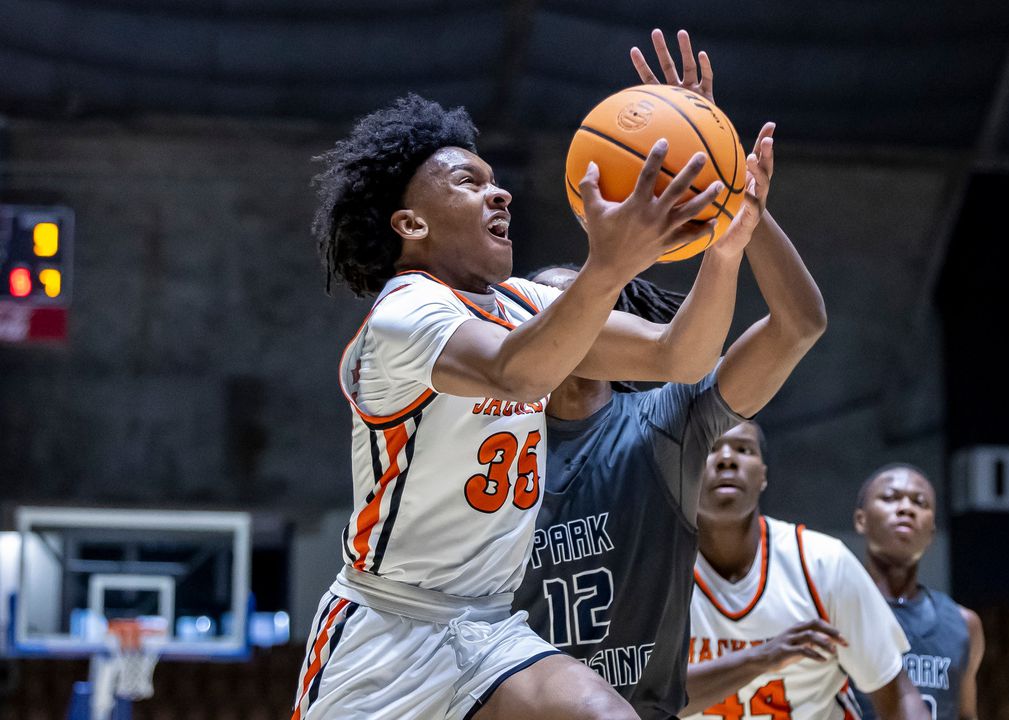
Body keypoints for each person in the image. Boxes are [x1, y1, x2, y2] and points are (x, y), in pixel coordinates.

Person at [293, 92, 742, 720]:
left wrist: (725, 241)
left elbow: (680, 356)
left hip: (487, 627)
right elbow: (517, 373)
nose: (499, 194)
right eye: (468, 183)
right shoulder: (403, 314)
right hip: (385, 632)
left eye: (497, 183)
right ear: (412, 224)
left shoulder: (523, 302)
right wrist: (608, 266)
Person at [513, 29, 827, 720]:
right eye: (549, 304)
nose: (563, 314)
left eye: (585, 300)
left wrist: (738, 211)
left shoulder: (661, 419)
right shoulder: (493, 440)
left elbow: (799, 324)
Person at [685, 422, 931, 720]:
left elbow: (897, 692)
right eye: (711, 448)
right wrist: (761, 657)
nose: (727, 458)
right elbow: (647, 700)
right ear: (684, 468)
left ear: (763, 475)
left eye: (743, 449)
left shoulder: (824, 563)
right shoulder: (655, 573)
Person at [842, 464, 985, 720]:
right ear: (861, 519)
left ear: (931, 533)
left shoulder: (964, 624)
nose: (906, 509)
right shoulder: (833, 609)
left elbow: (966, 714)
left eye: (920, 502)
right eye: (890, 498)